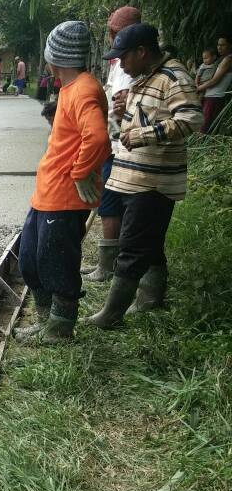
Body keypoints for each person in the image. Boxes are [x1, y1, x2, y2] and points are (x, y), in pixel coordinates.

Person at [88, 23, 203, 327]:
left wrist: (144, 134)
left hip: (154, 180)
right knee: (149, 242)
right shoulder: (146, 76)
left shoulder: (174, 77)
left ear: (142, 52)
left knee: (132, 245)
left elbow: (191, 118)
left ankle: (111, 315)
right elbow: (152, 113)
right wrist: (128, 107)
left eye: (123, 57)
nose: (121, 64)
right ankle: (150, 298)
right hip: (133, 175)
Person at [16, 21, 110, 345]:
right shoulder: (68, 89)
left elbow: (98, 137)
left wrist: (81, 172)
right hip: (46, 193)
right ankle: (46, 320)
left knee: (56, 261)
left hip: (65, 196)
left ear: (54, 56)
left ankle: (60, 328)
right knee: (30, 258)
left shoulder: (84, 89)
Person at [82, 5, 141, 283]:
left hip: (125, 143)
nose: (111, 37)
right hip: (111, 139)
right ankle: (109, 264)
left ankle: (110, 267)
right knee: (108, 202)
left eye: (114, 32)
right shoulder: (118, 62)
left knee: (112, 203)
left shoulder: (137, 67)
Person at [198, 34, 231, 134]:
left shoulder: (228, 59)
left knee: (203, 129)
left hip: (214, 97)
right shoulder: (221, 59)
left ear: (230, 45)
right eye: (218, 45)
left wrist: (198, 88)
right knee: (204, 126)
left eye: (223, 45)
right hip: (211, 97)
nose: (219, 47)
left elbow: (214, 81)